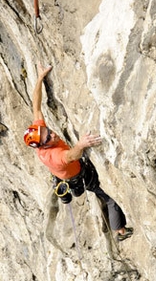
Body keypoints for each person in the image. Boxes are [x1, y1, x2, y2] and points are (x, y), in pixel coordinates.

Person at [23, 64, 133, 242]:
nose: (52, 134)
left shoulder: (40, 135)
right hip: (82, 175)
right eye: (48, 138)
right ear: (42, 146)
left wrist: (39, 78)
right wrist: (81, 144)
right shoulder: (53, 156)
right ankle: (119, 230)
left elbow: (36, 106)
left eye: (48, 130)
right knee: (109, 199)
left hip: (67, 173)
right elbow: (71, 156)